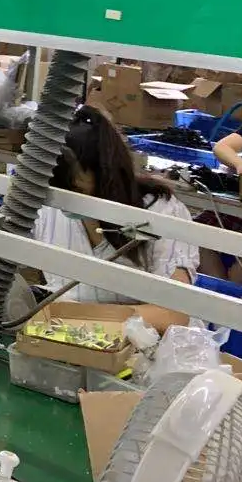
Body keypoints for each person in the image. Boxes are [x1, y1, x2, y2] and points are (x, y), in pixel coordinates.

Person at [34, 104, 196, 326]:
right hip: (64, 331)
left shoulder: (163, 212)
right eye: (59, 189)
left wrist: (75, 316)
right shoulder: (50, 206)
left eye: (77, 190)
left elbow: (173, 314)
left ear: (107, 176)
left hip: (146, 343)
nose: (66, 201)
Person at [198, 120, 242, 284]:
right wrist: (241, 164)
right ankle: (220, 289)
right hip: (239, 210)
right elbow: (221, 147)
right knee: (194, 233)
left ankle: (228, 292)